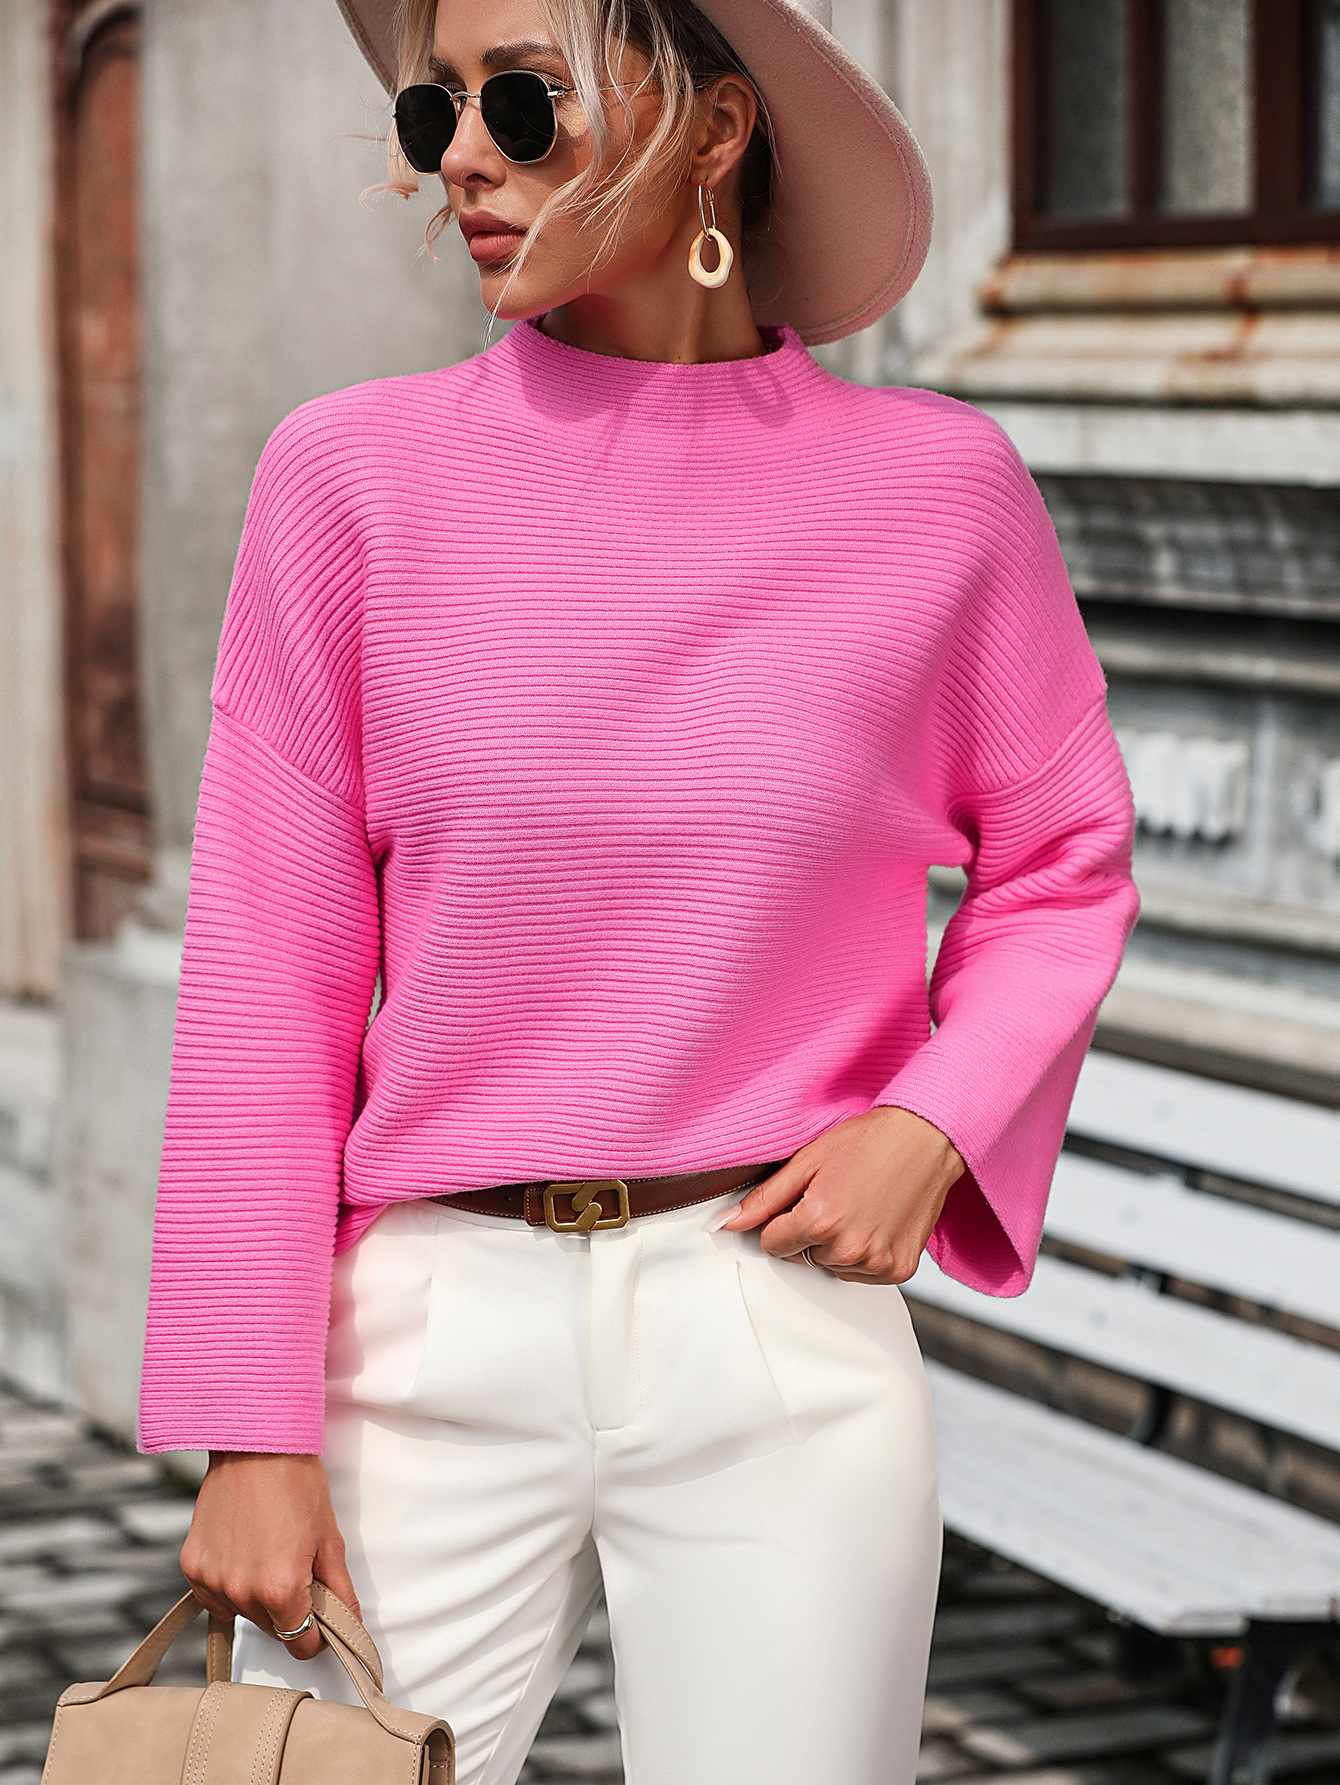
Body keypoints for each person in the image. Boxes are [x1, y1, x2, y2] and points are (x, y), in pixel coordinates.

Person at [138, 0, 1139, 1780]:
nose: (461, 158)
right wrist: (250, 1424)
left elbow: (1063, 858)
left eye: (523, 103)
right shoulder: (347, 480)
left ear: (715, 128)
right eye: (440, 110)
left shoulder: (938, 495)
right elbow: (265, 978)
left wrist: (933, 1121)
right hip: (425, 1328)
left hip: (774, 1326)